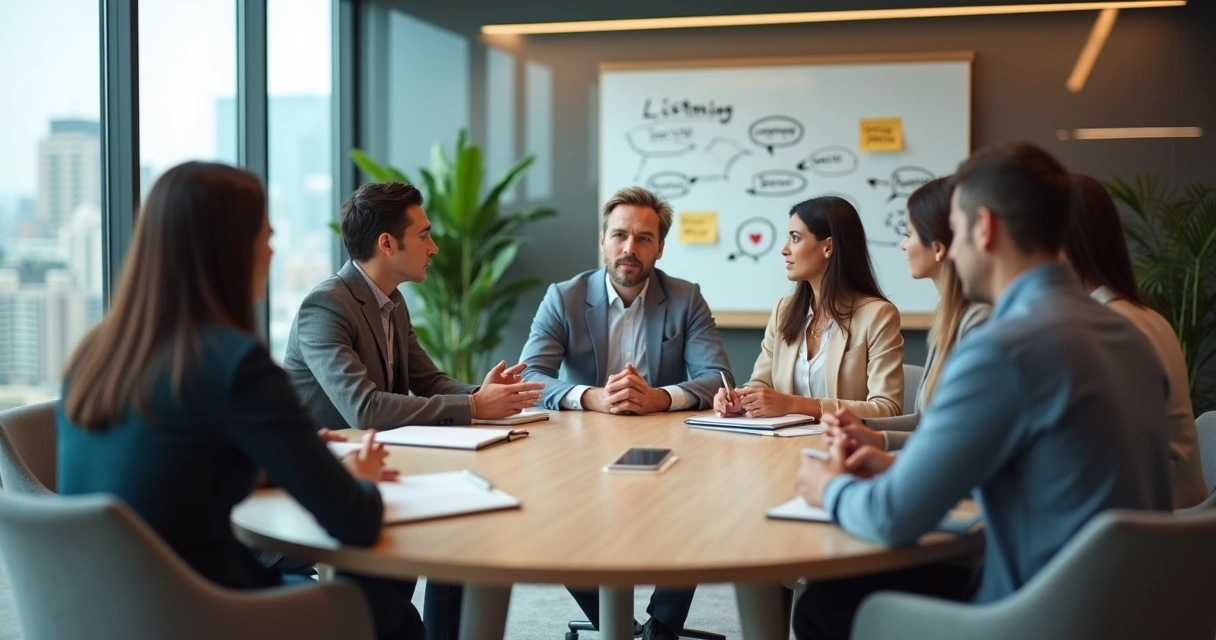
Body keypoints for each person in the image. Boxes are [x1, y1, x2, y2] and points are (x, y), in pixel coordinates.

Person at [792, 143, 1174, 640]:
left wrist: (830, 488)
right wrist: (899, 464)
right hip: (1134, 609)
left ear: (984, 227)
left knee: (823, 601)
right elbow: (1056, 472)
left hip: (1039, 615)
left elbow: (892, 519)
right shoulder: (1130, 335)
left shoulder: (1002, 348)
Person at [56, 162, 420, 639]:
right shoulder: (234, 363)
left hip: (102, 615)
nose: (272, 251)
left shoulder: (94, 356)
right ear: (229, 250)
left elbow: (174, 465)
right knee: (391, 613)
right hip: (207, 614)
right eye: (265, 236)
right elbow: (354, 518)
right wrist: (363, 478)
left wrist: (284, 459)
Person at [519, 186, 732, 640]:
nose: (629, 249)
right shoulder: (565, 297)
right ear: (602, 241)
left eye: (643, 238)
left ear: (660, 247)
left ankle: (662, 627)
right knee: (550, 519)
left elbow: (718, 377)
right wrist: (590, 396)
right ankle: (615, 625)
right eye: (619, 235)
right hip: (581, 450)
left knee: (698, 508)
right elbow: (531, 377)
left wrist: (660, 397)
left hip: (669, 447)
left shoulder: (685, 298)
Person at [283, 181, 543, 431]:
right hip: (326, 462)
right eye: (424, 236)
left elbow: (429, 381)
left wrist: (485, 394)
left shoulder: (392, 300)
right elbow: (364, 409)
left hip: (379, 452)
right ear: (387, 244)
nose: (434, 248)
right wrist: (474, 405)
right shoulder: (326, 307)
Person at [1062, 172, 1208, 508]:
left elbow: (1101, 458)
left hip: (1145, 533)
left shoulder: (1110, 328)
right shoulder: (1141, 315)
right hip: (1162, 522)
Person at [823, 179, 990, 452]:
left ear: (937, 247)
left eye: (909, 233)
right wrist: (863, 427)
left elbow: (961, 441)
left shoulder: (978, 325)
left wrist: (877, 441)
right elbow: (930, 423)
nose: (902, 244)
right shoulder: (950, 316)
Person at [713, 196, 904, 421]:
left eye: (795, 238)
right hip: (781, 447)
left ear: (828, 247)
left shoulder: (878, 315)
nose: (784, 250)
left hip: (844, 447)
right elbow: (761, 383)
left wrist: (793, 404)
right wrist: (741, 400)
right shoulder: (784, 311)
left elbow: (887, 408)